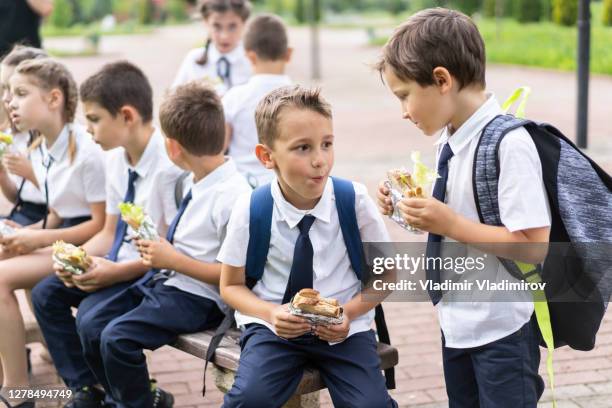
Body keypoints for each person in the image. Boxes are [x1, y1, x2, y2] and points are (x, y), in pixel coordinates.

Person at [375, 8, 550, 407]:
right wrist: (405, 209)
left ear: (441, 80)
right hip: (457, 324)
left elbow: (533, 246)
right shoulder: (450, 140)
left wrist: (449, 222)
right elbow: (450, 218)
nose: (403, 111)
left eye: (404, 96)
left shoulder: (510, 144)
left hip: (502, 330)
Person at [218, 85, 397, 408]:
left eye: (327, 144)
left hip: (345, 331)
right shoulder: (250, 209)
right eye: (302, 148)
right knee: (248, 400)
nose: (320, 160)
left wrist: (349, 314)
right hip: (273, 331)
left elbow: (387, 276)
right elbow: (230, 286)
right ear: (266, 156)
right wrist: (272, 313)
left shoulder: (353, 201)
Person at [75, 81, 251, 408]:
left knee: (117, 338)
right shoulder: (196, 179)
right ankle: (127, 398)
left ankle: (136, 403)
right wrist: (154, 245)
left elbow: (238, 274)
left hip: (200, 298)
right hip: (168, 283)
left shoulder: (232, 196)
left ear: (172, 149)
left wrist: (172, 259)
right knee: (90, 323)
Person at [31, 61, 177, 408]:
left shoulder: (168, 168)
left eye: (94, 119)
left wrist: (111, 271)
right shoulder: (115, 159)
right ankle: (87, 388)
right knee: (45, 293)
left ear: (126, 116)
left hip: (150, 272)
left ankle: (136, 398)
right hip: (119, 262)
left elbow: (168, 255)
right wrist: (83, 261)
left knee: (92, 319)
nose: (89, 129)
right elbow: (110, 232)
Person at [0, 57, 106, 408]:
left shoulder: (87, 152)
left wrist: (36, 239)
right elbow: (57, 212)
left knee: (0, 278)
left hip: (91, 246)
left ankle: (16, 391)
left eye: (20, 93)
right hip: (62, 237)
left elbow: (99, 225)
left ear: (53, 99)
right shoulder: (42, 146)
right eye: (9, 93)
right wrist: (27, 231)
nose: (9, 102)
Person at [222, 13, 292, 188]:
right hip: (286, 186)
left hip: (241, 185)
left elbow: (220, 148)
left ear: (250, 56)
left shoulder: (233, 98)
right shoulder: (302, 99)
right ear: (288, 53)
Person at [0, 45, 48, 226]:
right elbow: (19, 198)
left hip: (47, 224)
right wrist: (2, 175)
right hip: (23, 215)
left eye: (14, 90)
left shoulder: (54, 139)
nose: (5, 98)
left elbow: (64, 208)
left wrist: (31, 173)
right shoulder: (15, 135)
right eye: (3, 88)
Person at [172, 0, 252, 95]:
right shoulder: (194, 59)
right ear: (205, 23)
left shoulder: (253, 62)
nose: (224, 36)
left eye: (232, 26)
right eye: (216, 26)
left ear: (244, 24)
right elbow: (172, 99)